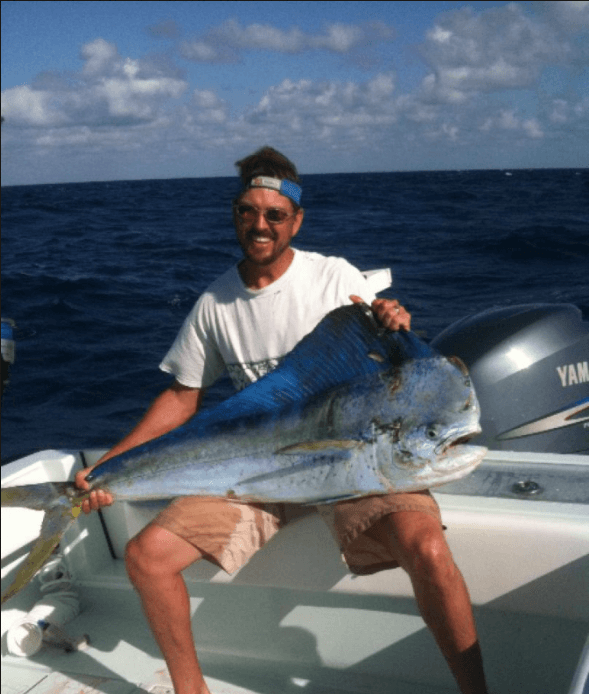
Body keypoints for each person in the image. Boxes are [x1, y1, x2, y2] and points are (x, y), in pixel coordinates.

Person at [76, 146, 489, 694]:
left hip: (357, 461)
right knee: (146, 558)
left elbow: (394, 354)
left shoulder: (334, 277)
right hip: (261, 475)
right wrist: (107, 466)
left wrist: (396, 319)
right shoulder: (214, 304)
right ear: (235, 214)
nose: (260, 224)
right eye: (248, 211)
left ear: (296, 219)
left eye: (274, 214)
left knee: (429, 549)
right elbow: (181, 397)